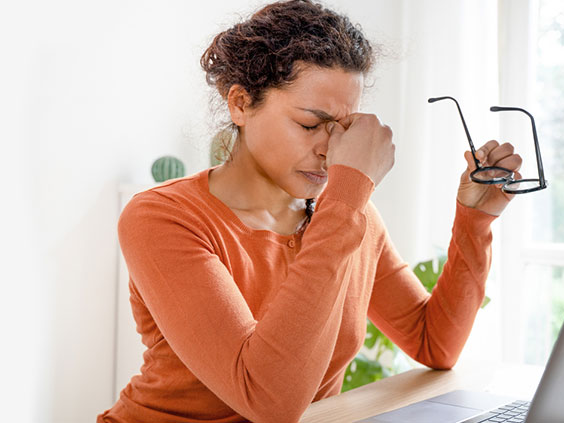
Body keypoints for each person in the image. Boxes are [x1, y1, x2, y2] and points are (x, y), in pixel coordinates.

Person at [97, 1, 522, 422]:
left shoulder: (349, 216)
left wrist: (475, 219)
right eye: (309, 124)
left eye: (341, 129)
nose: (328, 149)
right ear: (240, 103)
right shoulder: (162, 217)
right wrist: (348, 197)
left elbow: (435, 343)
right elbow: (268, 399)